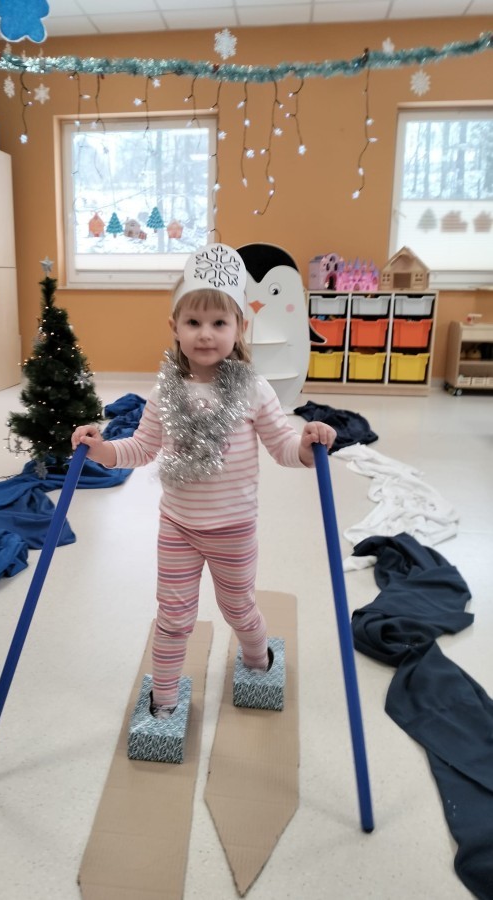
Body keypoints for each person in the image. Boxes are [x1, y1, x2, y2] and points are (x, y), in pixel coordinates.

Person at [72, 243, 336, 719]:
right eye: (193, 322)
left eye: (219, 322)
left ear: (240, 327)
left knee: (239, 610)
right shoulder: (165, 390)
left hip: (234, 528)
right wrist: (103, 450)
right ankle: (164, 702)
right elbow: (143, 447)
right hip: (178, 526)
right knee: (173, 617)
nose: (206, 334)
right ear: (174, 327)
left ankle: (257, 658)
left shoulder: (254, 388)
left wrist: (307, 446)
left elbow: (282, 445)